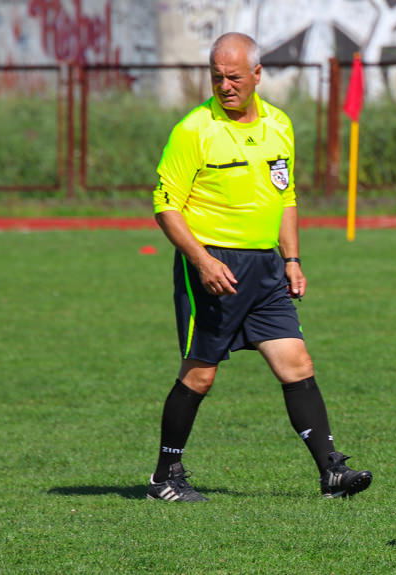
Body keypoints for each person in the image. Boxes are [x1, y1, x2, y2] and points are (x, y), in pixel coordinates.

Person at [147, 32, 371, 502]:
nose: (224, 86)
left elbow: (285, 197)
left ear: (257, 75)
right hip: (213, 267)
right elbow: (166, 206)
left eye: (233, 77)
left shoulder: (279, 124)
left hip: (267, 269)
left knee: (297, 363)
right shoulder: (194, 130)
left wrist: (292, 259)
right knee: (200, 374)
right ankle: (165, 476)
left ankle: (331, 471)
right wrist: (202, 261)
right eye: (216, 77)